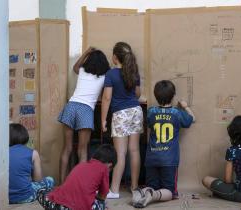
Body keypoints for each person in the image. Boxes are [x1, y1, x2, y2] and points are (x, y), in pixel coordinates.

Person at [132, 80, 195, 208]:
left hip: (151, 158)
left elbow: (149, 123)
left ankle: (143, 192)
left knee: (151, 185)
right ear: (173, 96)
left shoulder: (151, 112)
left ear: (156, 95)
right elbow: (192, 119)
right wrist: (185, 106)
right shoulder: (177, 113)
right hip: (169, 159)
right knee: (170, 192)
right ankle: (153, 195)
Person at [59, 47, 110, 183]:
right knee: (82, 150)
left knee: (67, 148)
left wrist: (86, 52)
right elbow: (104, 96)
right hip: (85, 109)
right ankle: (80, 184)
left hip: (71, 106)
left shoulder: (82, 71)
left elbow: (75, 66)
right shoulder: (104, 77)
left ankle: (62, 183)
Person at [101, 42, 143, 199]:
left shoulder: (111, 74)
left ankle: (114, 190)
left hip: (120, 114)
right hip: (136, 111)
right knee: (135, 150)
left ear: (114, 57)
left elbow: (106, 98)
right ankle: (134, 187)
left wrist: (103, 119)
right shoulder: (134, 73)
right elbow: (138, 93)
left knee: (121, 153)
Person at [37, 144, 117, 210]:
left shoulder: (82, 165)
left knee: (41, 191)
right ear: (109, 166)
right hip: (77, 207)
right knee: (101, 205)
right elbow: (103, 195)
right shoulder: (104, 169)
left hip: (56, 206)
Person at [9, 123, 54, 204]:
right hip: (25, 197)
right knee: (50, 180)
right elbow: (37, 180)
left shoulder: (1, 154)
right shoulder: (33, 153)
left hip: (6, 198)